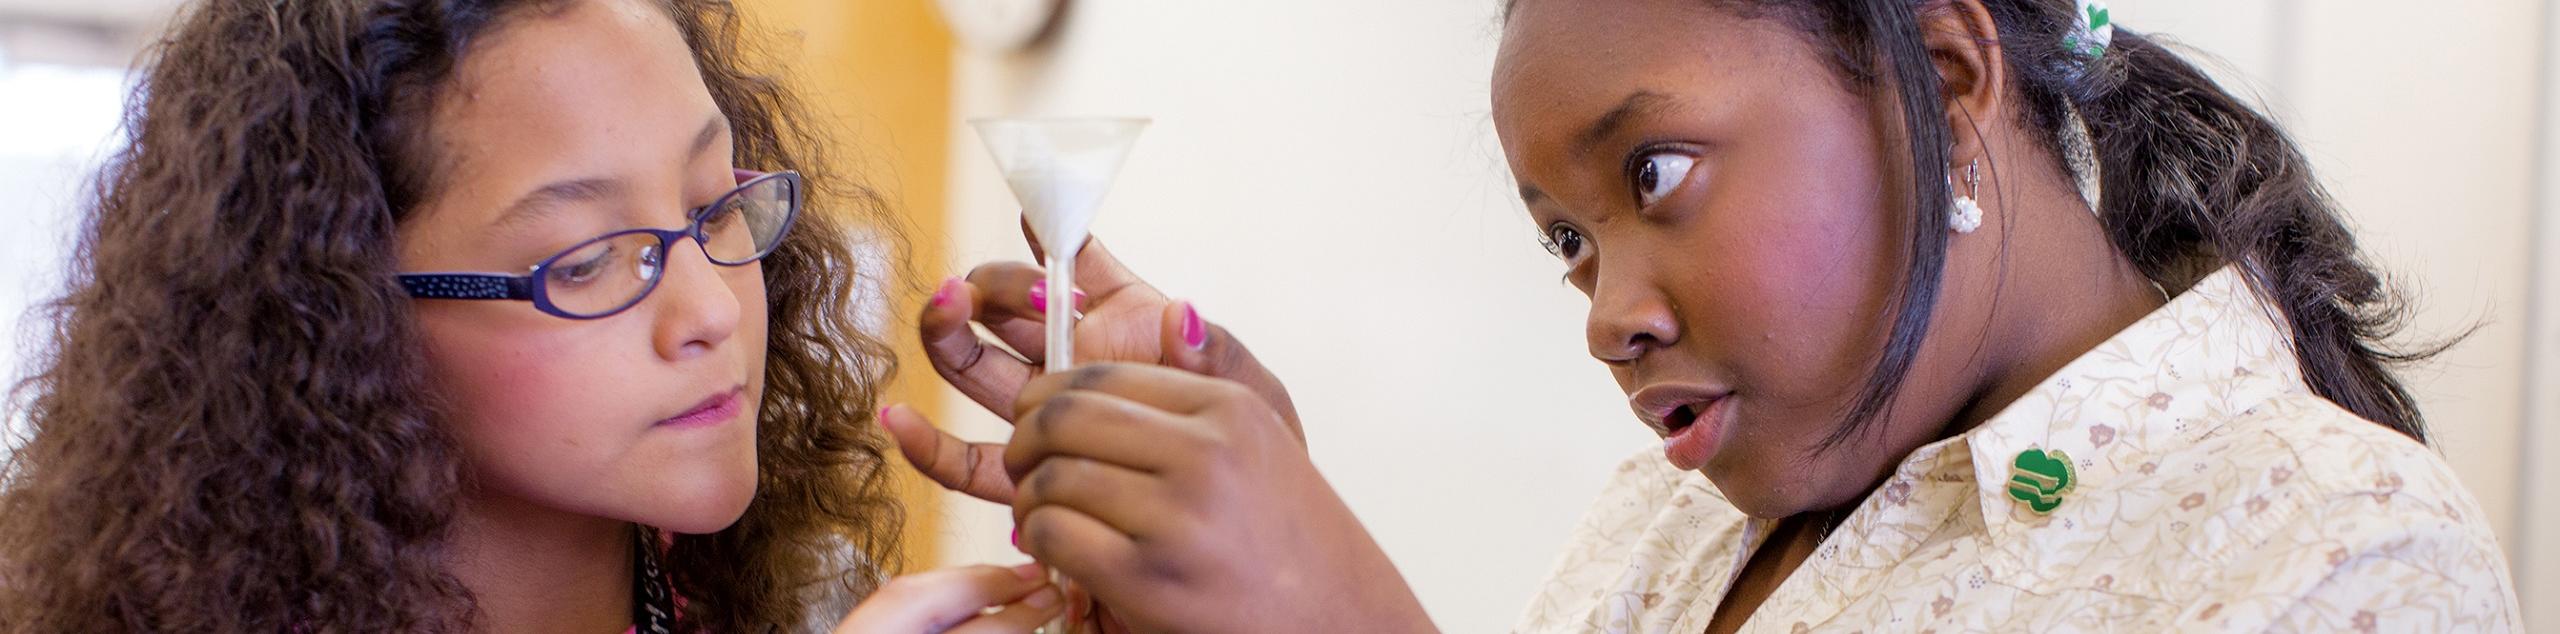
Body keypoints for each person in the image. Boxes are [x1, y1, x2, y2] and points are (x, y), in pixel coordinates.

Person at [886, 0, 2524, 631]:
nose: (1605, 312)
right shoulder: (1678, 521)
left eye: (1652, 172)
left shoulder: (2340, 547)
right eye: (1563, 245)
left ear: (1943, 80)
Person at [0, 0, 1054, 631]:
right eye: (588, 260)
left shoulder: (765, 588)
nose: (710, 310)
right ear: (335, 320)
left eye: (712, 202)